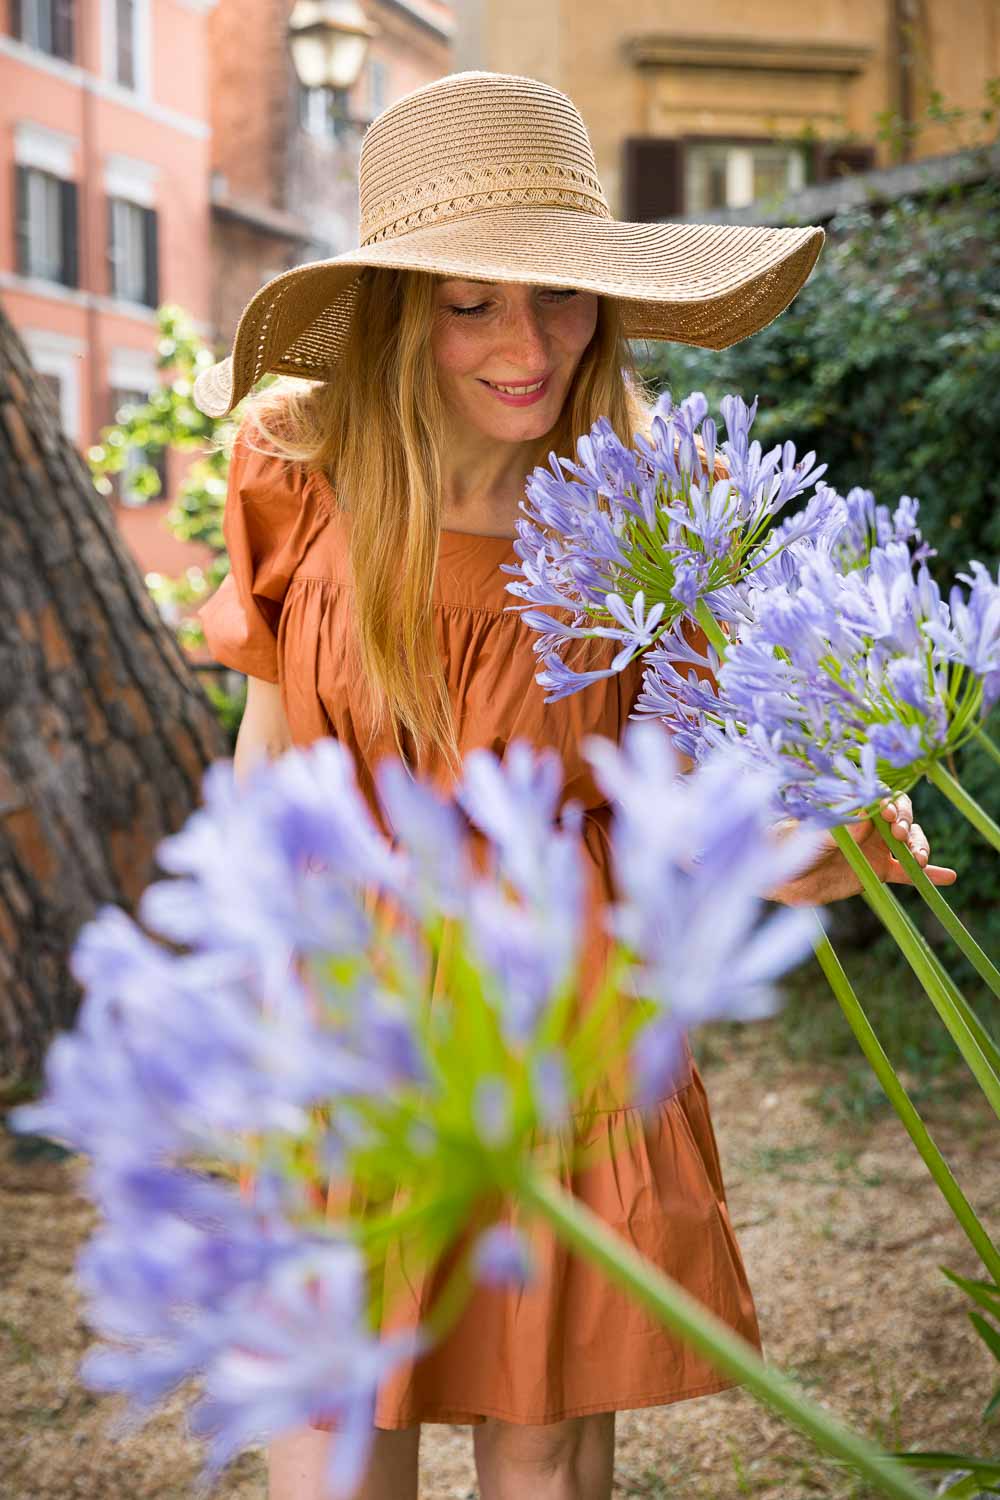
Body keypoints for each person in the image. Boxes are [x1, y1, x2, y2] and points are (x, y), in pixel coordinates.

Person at [194, 70, 955, 1500]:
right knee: (336, 1439)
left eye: (557, 295)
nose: (526, 343)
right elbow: (270, 779)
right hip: (356, 1021)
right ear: (398, 304)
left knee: (540, 1441)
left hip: (567, 1027)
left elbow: (690, 809)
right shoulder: (299, 467)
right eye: (471, 301)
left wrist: (824, 841)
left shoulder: (654, 505)